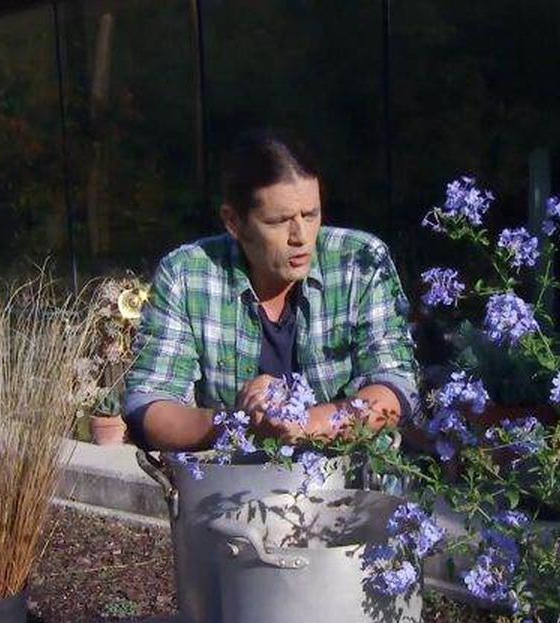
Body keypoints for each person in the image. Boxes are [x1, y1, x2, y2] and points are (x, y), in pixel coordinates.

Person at [123, 130, 418, 451]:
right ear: (234, 222)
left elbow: (396, 387)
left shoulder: (360, 261)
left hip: (347, 474)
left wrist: (305, 424)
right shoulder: (185, 273)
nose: (300, 236)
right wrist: (238, 423)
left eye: (311, 215)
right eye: (279, 221)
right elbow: (147, 404)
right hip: (231, 476)